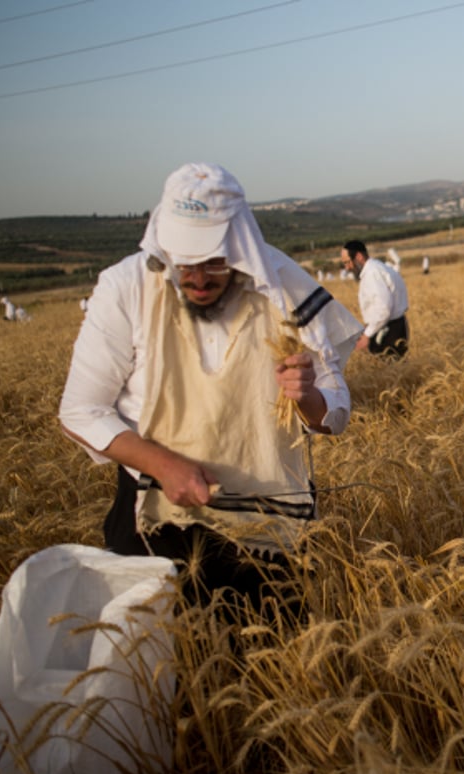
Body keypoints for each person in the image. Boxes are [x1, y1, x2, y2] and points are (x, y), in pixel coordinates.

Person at [59, 162, 362, 613]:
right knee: (158, 663)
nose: (198, 278)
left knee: (270, 659)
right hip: (155, 515)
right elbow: (81, 410)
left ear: (240, 245)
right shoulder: (125, 289)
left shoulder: (284, 289)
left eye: (215, 262)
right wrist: (162, 464)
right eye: (185, 263)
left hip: (267, 524)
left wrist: (308, 397)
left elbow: (334, 410)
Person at [342, 240, 410, 359]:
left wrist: (367, 335)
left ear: (358, 256)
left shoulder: (372, 273)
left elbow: (383, 309)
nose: (347, 268)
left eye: (347, 262)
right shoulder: (378, 267)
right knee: (397, 371)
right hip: (392, 327)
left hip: (388, 332)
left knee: (390, 372)